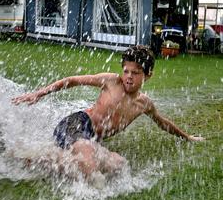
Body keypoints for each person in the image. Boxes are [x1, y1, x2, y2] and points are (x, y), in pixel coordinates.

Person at [12, 45, 204, 177]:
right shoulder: (112, 81)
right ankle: (34, 158)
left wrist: (188, 138)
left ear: (148, 75)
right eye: (126, 71)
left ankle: (46, 159)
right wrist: (39, 94)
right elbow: (73, 80)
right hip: (77, 124)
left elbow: (163, 123)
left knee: (118, 164)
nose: (128, 77)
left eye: (135, 73)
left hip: (92, 139)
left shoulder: (144, 104)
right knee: (89, 166)